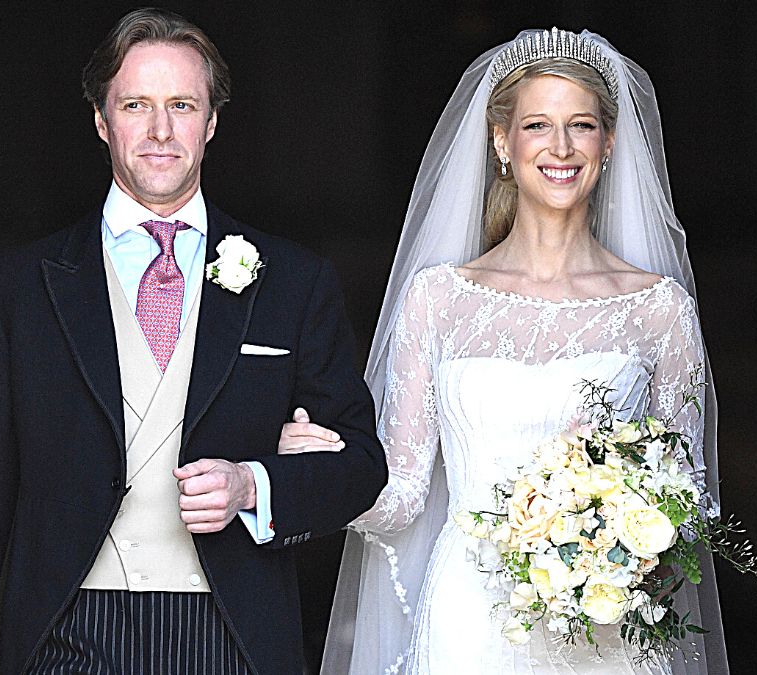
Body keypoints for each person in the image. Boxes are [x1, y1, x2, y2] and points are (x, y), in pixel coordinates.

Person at [0, 8, 386, 674]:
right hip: (69, 630)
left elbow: (363, 465)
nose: (161, 130)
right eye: (137, 104)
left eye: (183, 105)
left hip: (231, 632)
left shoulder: (293, 282)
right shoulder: (19, 291)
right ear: (101, 119)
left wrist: (253, 483)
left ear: (213, 123)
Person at [282, 28, 727, 673]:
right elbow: (404, 494)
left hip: (605, 632)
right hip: (471, 623)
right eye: (538, 125)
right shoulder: (437, 300)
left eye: (581, 126)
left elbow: (688, 503)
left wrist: (618, 542)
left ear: (608, 143)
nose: (562, 147)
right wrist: (330, 470)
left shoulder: (658, 311)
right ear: (501, 141)